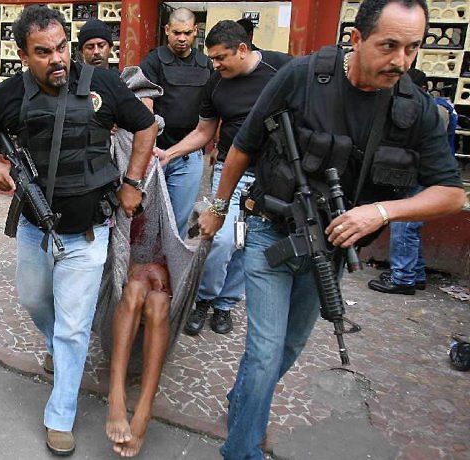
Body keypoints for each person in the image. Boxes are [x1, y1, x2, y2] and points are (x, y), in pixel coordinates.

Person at [196, 1, 465, 458]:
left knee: (289, 349)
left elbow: (451, 193)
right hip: (271, 231)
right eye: (389, 45)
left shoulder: (412, 106)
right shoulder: (301, 77)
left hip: (331, 249)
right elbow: (243, 147)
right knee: (263, 352)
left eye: (413, 48)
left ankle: (242, 404)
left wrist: (379, 213)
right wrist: (219, 209)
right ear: (357, 39)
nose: (401, 60)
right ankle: (241, 451)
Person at [0, 5, 156, 456]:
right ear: (22, 54)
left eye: (62, 48)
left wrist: (132, 182)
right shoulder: (11, 93)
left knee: (74, 329)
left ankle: (60, 415)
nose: (57, 59)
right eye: (43, 52)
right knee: (34, 299)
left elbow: (146, 125)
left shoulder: (102, 84)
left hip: (88, 232)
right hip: (36, 229)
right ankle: (60, 346)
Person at [159, 20, 292, 336]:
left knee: (248, 244)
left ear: (243, 49)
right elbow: (204, 132)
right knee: (221, 240)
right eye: (213, 58)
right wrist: (170, 153)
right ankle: (204, 299)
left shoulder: (282, 70)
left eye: (220, 58)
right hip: (230, 175)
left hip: (271, 180)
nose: (215, 65)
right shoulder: (216, 83)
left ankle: (225, 305)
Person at [368, 67, 458, 295]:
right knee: (410, 226)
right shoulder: (441, 107)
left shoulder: (433, 109)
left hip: (423, 175)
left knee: (404, 225)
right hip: (427, 174)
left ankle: (403, 278)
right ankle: (414, 274)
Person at [140, 7, 213, 239]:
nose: (182, 38)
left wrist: (217, 145)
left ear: (195, 32)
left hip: (188, 155)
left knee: (177, 226)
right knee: (147, 222)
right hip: (156, 151)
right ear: (167, 30)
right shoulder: (153, 60)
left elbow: (214, 109)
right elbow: (145, 104)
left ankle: (172, 273)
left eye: (187, 33)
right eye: (177, 33)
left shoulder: (205, 64)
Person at [106, 256, 170, 458]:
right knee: (133, 291)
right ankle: (116, 395)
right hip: (131, 263)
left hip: (172, 269)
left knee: (158, 301)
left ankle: (144, 409)